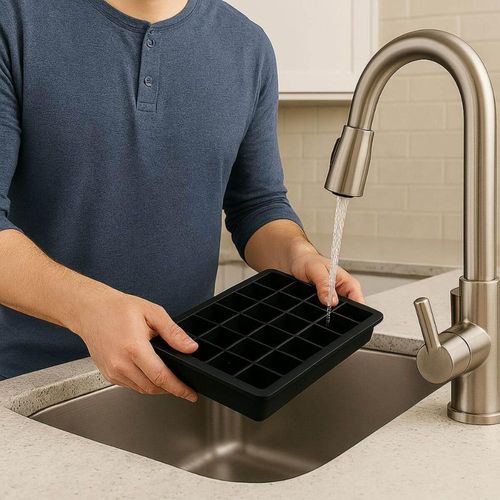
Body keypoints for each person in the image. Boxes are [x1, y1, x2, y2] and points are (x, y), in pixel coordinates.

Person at [0, 0, 363, 401]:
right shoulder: (15, 20)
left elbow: (257, 206)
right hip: (28, 387)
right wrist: (88, 309)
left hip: (184, 373)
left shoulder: (248, 47)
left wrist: (297, 254)